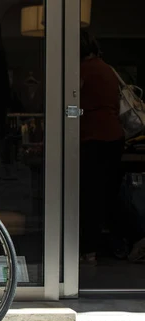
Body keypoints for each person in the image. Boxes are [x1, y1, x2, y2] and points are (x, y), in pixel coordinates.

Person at [79, 30, 125, 265]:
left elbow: (72, 105)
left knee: (89, 196)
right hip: (114, 136)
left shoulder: (81, 71)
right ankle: (121, 243)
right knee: (107, 195)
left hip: (92, 138)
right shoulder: (107, 69)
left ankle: (88, 249)